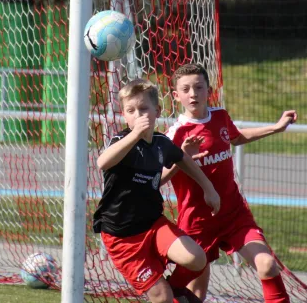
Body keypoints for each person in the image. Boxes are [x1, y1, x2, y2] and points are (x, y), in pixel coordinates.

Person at [162, 63, 297, 303]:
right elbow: (159, 178)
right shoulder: (175, 135)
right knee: (193, 295)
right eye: (186, 89)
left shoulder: (220, 116)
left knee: (266, 264)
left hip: (234, 215)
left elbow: (236, 137)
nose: (193, 93)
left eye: (198, 87)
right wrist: (182, 157)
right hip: (198, 223)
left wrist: (276, 128)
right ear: (176, 95)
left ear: (208, 90)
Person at [93, 79, 221, 303]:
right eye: (131, 111)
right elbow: (102, 162)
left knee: (198, 259)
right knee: (161, 297)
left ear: (157, 111)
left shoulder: (161, 143)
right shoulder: (122, 141)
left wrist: (208, 188)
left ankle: (177, 294)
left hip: (153, 224)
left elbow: (181, 160)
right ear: (124, 115)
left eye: (143, 109)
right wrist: (134, 136)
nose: (138, 115)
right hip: (123, 237)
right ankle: (171, 296)